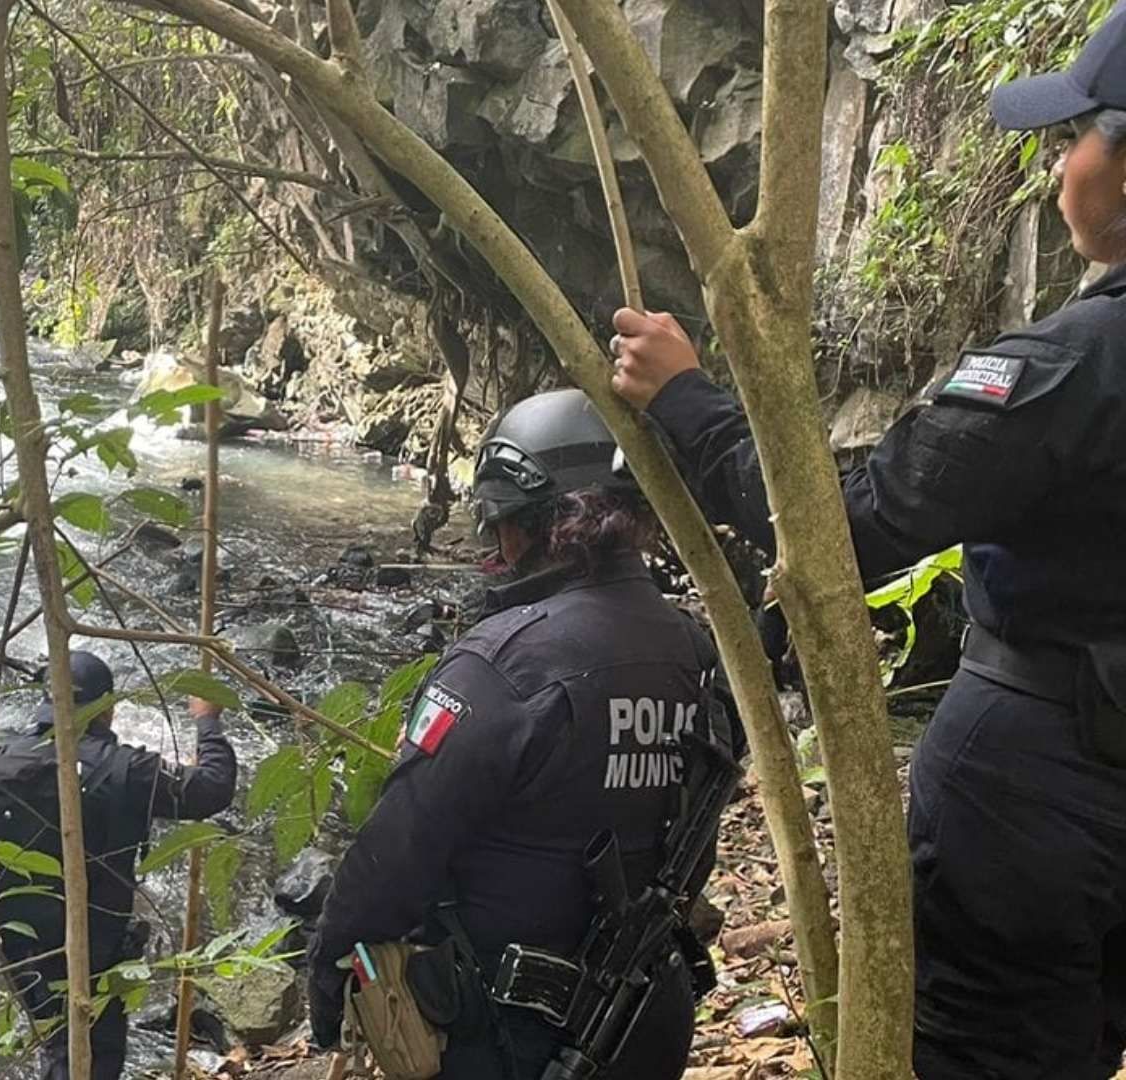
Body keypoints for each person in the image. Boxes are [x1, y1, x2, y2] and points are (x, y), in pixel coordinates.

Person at [608, 8, 1126, 1075]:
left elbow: (849, 523)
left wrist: (689, 402)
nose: (1056, 164)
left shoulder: (1079, 366)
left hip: (1037, 788)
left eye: (1074, 136)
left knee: (988, 1051)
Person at [307, 389, 736, 1078]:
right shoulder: (699, 650)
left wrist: (329, 980)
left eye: (500, 526)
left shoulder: (503, 662)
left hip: (511, 1038)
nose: (497, 549)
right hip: (646, 1019)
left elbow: (395, 854)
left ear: (535, 523)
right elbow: (695, 840)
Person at [0, 650, 237, 1080]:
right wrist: (207, 719)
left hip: (18, 938)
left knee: (57, 1035)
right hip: (95, 942)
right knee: (89, 1053)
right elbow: (212, 789)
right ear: (107, 711)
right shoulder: (123, 770)